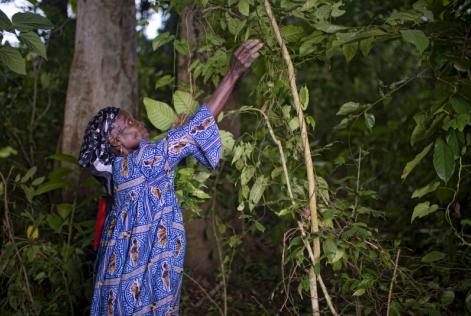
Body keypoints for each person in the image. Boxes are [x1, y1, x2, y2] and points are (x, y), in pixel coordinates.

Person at [78, 39, 263, 316]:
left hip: (122, 278)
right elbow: (193, 132)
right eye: (129, 123)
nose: (138, 123)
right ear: (115, 141)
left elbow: (166, 160)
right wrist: (232, 74)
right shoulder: (141, 161)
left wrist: (176, 139)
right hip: (142, 281)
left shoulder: (122, 172)